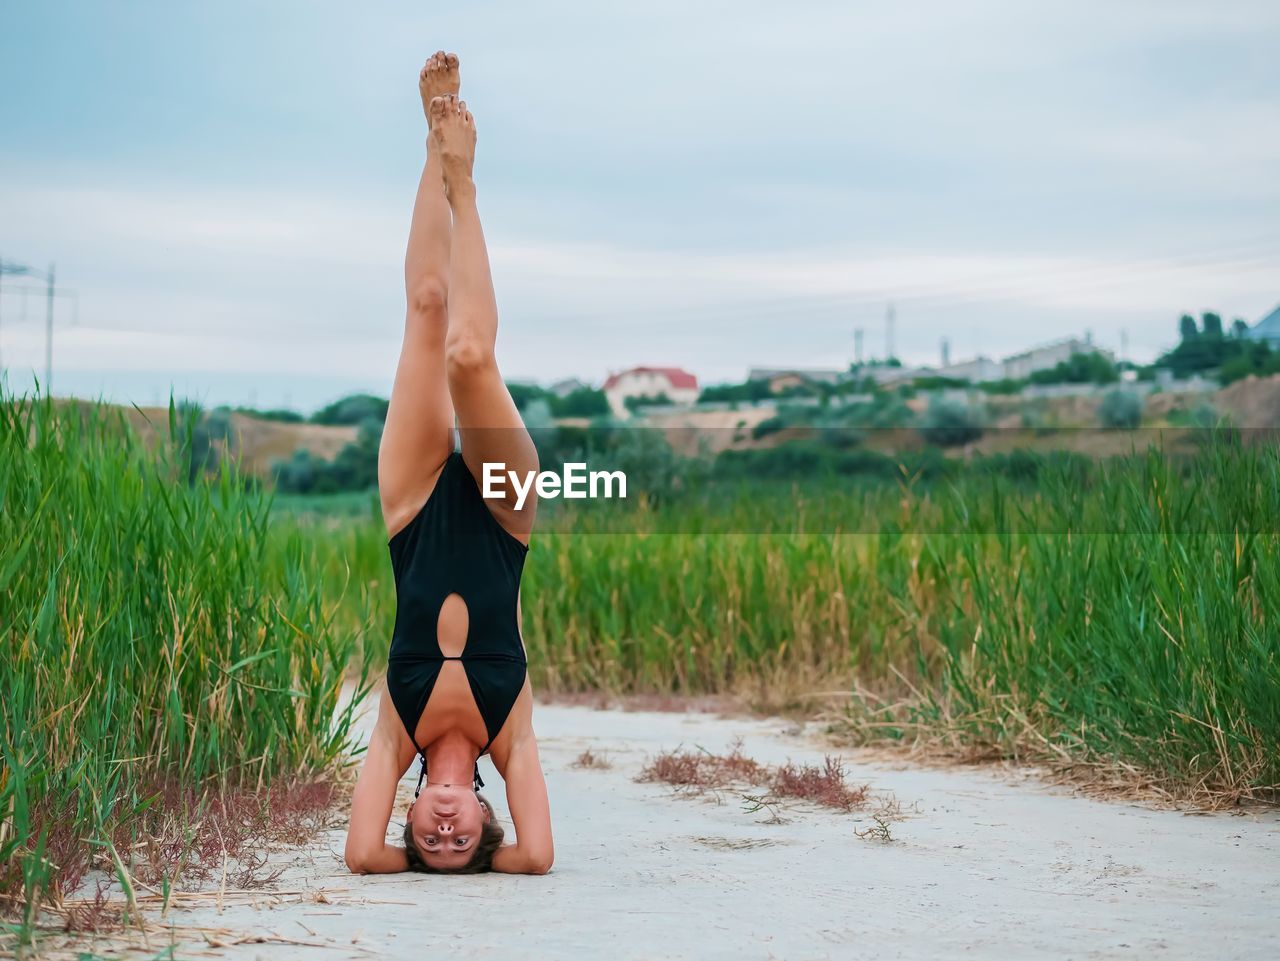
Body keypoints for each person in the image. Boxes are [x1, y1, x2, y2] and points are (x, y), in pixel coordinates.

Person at [343, 51, 553, 876]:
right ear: (483, 813)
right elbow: (536, 857)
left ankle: (433, 142)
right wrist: (493, 866)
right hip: (506, 517)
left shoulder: (399, 729)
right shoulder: (512, 730)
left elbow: (363, 853)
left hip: (413, 507)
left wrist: (408, 859)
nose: (442, 831)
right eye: (461, 839)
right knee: (470, 357)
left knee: (430, 310)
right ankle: (464, 186)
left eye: (430, 843)